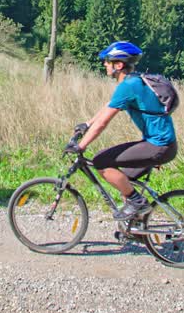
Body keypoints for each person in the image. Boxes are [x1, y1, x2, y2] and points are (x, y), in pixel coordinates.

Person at [72, 41, 178, 220]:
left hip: (158, 146)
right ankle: (136, 228)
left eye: (107, 61)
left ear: (119, 65)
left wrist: (81, 146)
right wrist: (88, 124)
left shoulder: (128, 86)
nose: (105, 64)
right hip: (161, 144)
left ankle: (138, 203)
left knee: (101, 161)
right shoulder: (133, 81)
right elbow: (109, 107)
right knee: (123, 181)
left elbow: (103, 123)